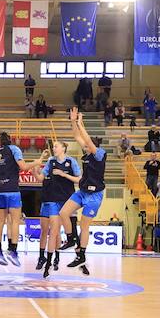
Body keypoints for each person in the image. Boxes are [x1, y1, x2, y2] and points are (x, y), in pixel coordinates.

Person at [59, 109, 107, 276]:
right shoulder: (86, 152)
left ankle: (81, 255)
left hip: (95, 196)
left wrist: (81, 123)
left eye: (87, 145)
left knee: (84, 226)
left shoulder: (99, 154)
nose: (84, 146)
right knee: (63, 213)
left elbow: (85, 138)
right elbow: (77, 137)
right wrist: (73, 122)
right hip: (83, 191)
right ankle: (71, 239)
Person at [0, 131, 35, 266]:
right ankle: (13, 251)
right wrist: (36, 162)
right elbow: (23, 167)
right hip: (12, 190)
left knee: (0, 221)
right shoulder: (14, 149)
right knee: (15, 221)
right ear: (10, 140)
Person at [37, 141, 79, 276]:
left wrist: (64, 174)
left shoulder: (71, 162)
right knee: (53, 232)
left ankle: (80, 259)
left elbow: (79, 179)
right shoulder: (50, 161)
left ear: (63, 148)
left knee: (73, 233)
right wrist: (35, 167)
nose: (53, 148)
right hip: (53, 200)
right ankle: (48, 263)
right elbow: (41, 177)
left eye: (56, 146)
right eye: (53, 146)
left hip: (68, 201)